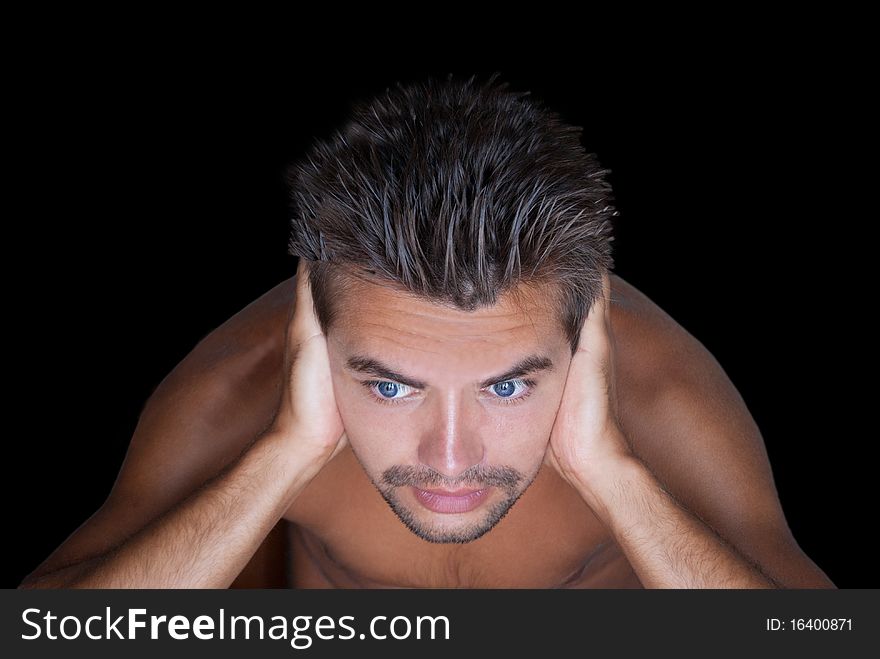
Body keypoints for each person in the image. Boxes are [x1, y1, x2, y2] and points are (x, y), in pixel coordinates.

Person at [19, 73, 835, 589]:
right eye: (389, 384)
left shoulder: (657, 394)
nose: (450, 459)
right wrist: (285, 455)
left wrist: (614, 475)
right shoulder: (242, 386)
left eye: (509, 384)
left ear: (583, 337)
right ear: (318, 333)